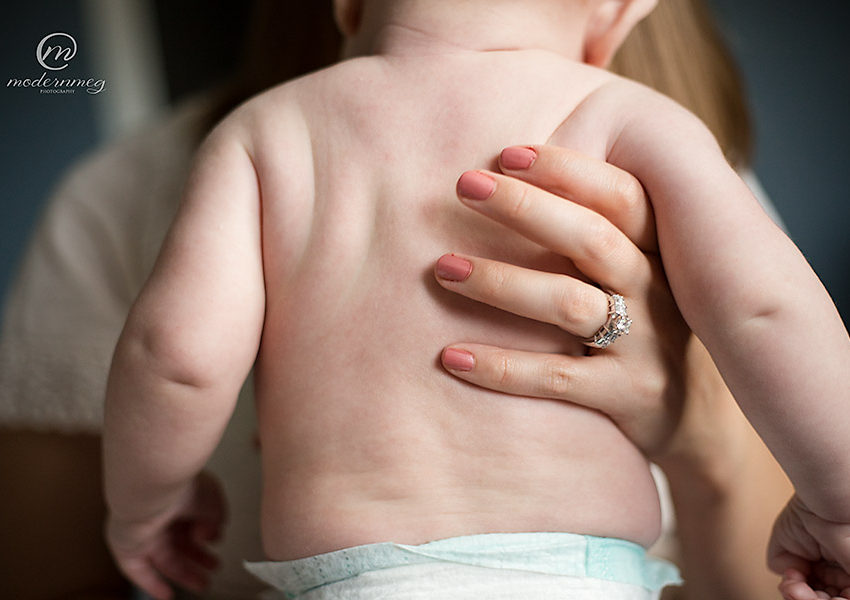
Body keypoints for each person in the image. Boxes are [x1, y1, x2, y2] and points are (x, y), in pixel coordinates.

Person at [0, 1, 791, 599]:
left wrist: (146, 504)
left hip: (350, 578)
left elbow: (176, 356)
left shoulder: (266, 136)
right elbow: (774, 316)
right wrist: (833, 502)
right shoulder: (641, 128)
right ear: (621, 7)